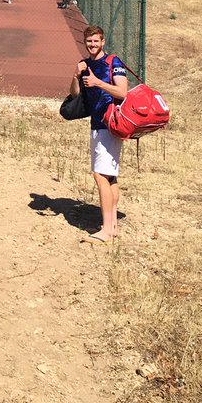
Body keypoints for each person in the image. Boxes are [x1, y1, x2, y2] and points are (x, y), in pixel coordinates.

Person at [68, 24, 129, 242]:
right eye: (89, 41)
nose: (92, 45)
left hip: (110, 124)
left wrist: (97, 83)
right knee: (110, 177)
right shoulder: (86, 64)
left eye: (96, 41)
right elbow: (74, 94)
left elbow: (122, 92)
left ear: (103, 42)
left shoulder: (113, 62)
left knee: (100, 176)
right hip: (96, 124)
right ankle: (112, 226)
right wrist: (76, 76)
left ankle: (105, 230)